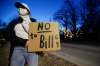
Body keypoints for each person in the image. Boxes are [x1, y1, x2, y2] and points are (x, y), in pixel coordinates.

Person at [6, 2, 40, 66]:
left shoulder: (34, 22)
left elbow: (38, 36)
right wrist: (23, 42)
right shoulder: (14, 22)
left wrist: (41, 49)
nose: (20, 9)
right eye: (19, 8)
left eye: (22, 7)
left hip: (32, 50)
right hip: (18, 49)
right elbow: (7, 34)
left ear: (27, 10)